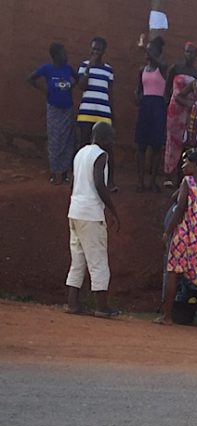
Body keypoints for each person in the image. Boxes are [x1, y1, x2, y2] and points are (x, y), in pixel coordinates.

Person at [155, 148, 197, 331]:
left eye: (186, 162)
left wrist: (167, 232)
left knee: (173, 272)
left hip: (185, 234)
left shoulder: (188, 182)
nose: (183, 165)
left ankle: (167, 316)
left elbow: (179, 210)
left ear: (195, 164)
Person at [65, 122, 120, 317]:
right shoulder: (101, 155)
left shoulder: (80, 153)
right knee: (98, 260)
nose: (112, 143)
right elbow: (99, 183)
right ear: (104, 138)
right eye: (111, 139)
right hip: (90, 214)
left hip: (75, 210)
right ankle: (102, 307)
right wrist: (113, 211)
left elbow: (72, 182)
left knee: (78, 259)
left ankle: (72, 303)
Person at [28, 42, 77, 185]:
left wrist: (70, 88)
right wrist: (45, 91)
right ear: (55, 55)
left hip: (67, 109)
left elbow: (78, 80)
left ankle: (64, 174)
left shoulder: (68, 69)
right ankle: (54, 172)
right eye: (63, 53)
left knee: (67, 140)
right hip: (54, 109)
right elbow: (30, 78)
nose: (66, 55)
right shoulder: (47, 69)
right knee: (55, 140)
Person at [77, 37, 117, 191]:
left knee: (108, 148)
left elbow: (110, 93)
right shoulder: (84, 66)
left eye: (98, 49)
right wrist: (88, 69)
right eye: (93, 49)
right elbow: (81, 86)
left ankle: (110, 181)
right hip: (86, 112)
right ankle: (81, 180)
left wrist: (113, 114)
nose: (95, 52)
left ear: (104, 51)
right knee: (84, 146)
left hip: (103, 113)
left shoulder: (108, 69)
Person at [163, 41, 197, 188]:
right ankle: (169, 175)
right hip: (175, 111)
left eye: (192, 52)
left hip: (190, 111)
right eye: (187, 51)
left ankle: (182, 177)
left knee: (187, 143)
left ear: (196, 55)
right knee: (172, 142)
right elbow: (167, 91)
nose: (189, 55)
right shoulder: (175, 68)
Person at [135, 37, 168, 193]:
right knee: (141, 145)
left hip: (158, 106)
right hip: (145, 105)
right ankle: (141, 180)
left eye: (151, 50)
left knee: (156, 146)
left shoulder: (162, 67)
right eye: (147, 50)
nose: (148, 54)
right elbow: (138, 89)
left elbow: (160, 64)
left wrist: (144, 48)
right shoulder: (142, 69)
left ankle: (153, 181)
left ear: (158, 52)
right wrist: (138, 97)